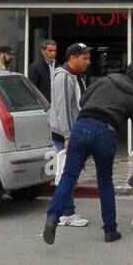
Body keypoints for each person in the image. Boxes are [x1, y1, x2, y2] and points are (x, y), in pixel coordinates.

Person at [44, 70, 133, 245]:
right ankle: (110, 230)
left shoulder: (105, 80)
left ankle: (53, 216)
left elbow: (82, 101)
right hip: (106, 132)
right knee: (105, 181)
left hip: (82, 126)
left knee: (69, 175)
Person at [48, 43, 92, 229]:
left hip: (76, 131)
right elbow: (63, 108)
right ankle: (66, 213)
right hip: (66, 134)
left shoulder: (77, 77)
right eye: (84, 58)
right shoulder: (64, 78)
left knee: (71, 173)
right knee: (68, 173)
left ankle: (66, 211)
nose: (88, 62)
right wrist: (68, 135)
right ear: (72, 58)